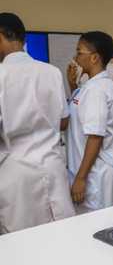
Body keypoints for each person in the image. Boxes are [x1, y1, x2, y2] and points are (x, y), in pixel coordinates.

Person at [0, 12, 76, 232]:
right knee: (61, 235)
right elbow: (63, 122)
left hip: (16, 173)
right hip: (52, 167)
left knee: (23, 242)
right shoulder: (51, 72)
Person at [67, 31, 113, 211]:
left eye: (79, 52)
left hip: (96, 173)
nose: (75, 57)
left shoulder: (97, 89)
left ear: (94, 58)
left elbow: (95, 136)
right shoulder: (92, 86)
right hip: (95, 170)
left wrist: (80, 178)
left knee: (100, 221)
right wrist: (72, 85)